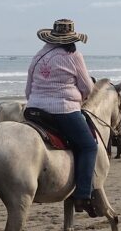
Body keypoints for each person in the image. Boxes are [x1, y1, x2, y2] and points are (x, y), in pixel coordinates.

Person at [25, 18, 97, 217]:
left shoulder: (39, 55)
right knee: (89, 146)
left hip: (33, 110)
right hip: (62, 110)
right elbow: (87, 87)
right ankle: (83, 194)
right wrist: (80, 98)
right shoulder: (74, 55)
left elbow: (28, 87)